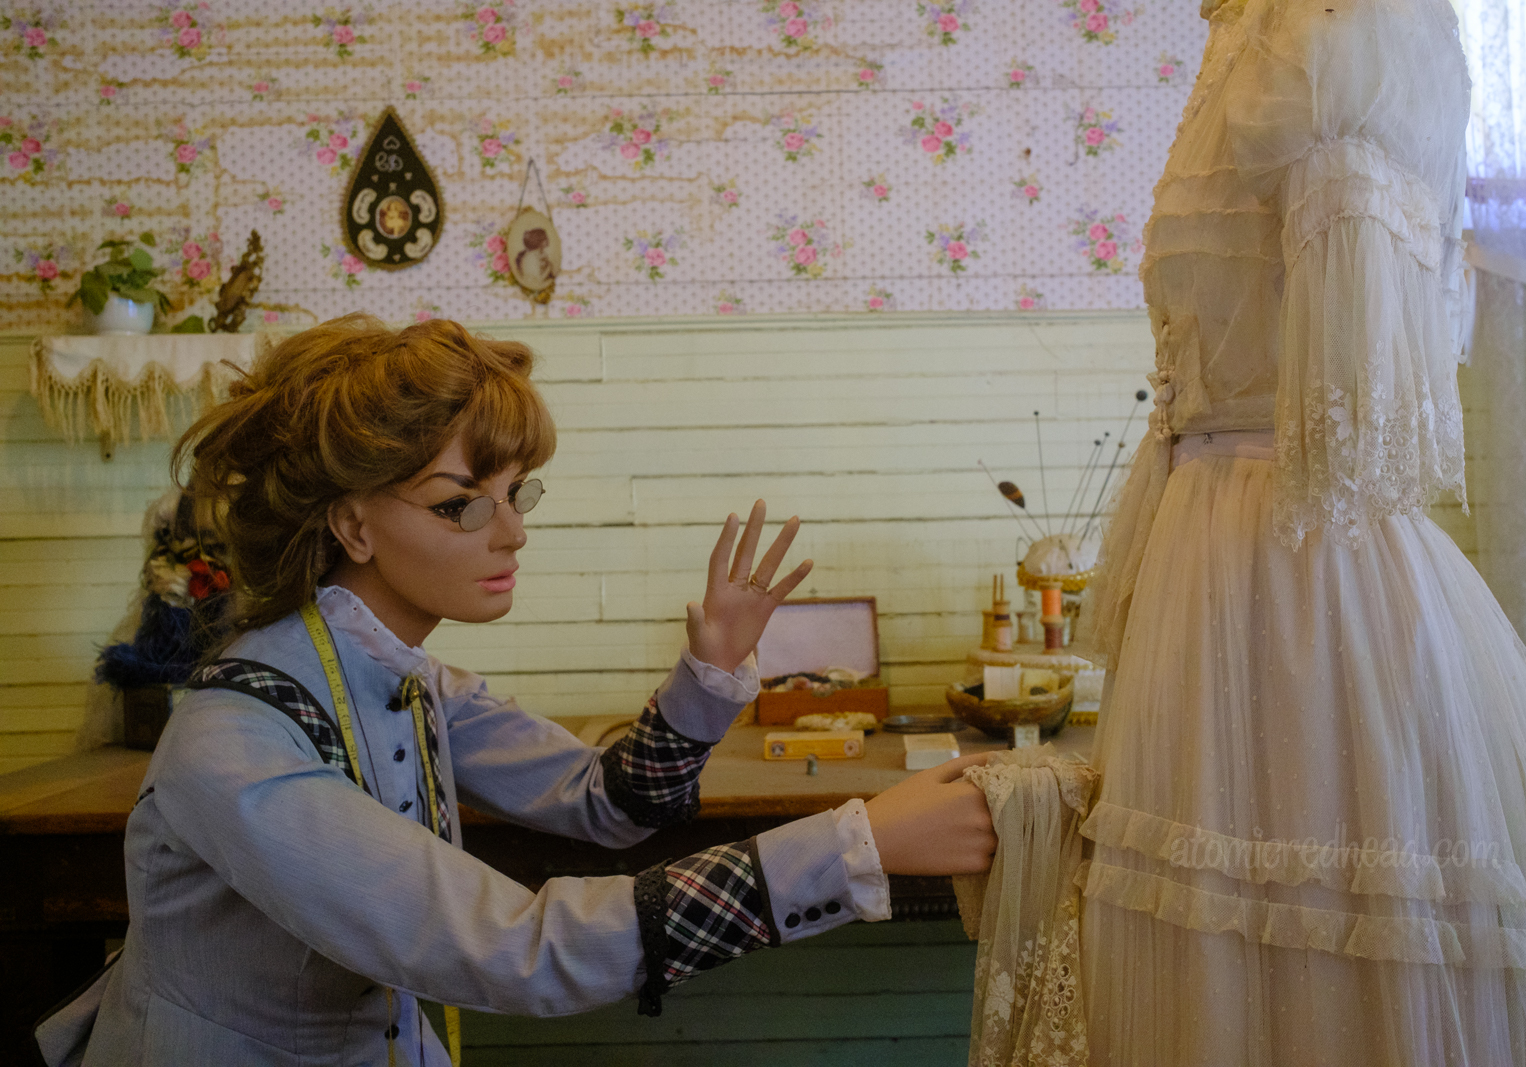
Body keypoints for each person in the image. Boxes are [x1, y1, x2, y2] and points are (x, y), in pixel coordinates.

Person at [37, 315, 996, 1066]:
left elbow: (604, 802)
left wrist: (709, 675)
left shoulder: (411, 681)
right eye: (463, 503)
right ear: (354, 526)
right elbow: (509, 949)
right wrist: (855, 842)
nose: (512, 534)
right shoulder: (233, 742)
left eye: (517, 492)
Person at [1078, 0, 1526, 1062]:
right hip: (1212, 553)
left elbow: (1358, 401)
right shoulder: (1243, 40)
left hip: (1300, 572)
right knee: (1211, 949)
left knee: (1330, 934)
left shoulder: (1336, 43)